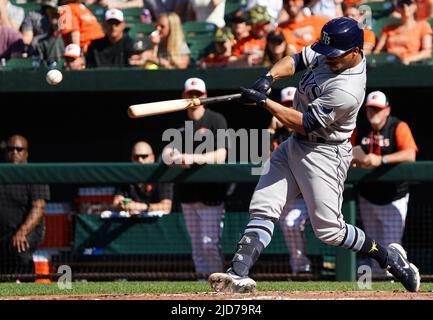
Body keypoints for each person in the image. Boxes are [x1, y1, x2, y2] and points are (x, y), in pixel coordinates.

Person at [208, 17, 420, 293]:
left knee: (330, 230)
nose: (328, 58)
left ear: (355, 51)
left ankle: (387, 257)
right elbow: (295, 60)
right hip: (294, 144)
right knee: (264, 204)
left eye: (336, 55)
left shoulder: (348, 90)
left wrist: (264, 102)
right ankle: (237, 273)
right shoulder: (331, 52)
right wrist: (268, 78)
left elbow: (305, 122)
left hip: (324, 152)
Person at [163, 77, 228, 280]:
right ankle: (201, 279)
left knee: (210, 242)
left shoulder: (216, 119)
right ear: (183, 96)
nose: (194, 98)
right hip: (187, 192)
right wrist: (173, 158)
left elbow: (221, 155)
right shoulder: (178, 123)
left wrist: (192, 158)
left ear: (205, 96)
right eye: (190, 94)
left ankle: (218, 280)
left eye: (198, 95)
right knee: (197, 244)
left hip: (211, 192)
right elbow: (166, 153)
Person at [351, 91, 418, 276]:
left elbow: (410, 154)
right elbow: (347, 153)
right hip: (368, 196)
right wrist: (358, 161)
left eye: (378, 109)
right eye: (370, 109)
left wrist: (381, 160)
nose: (373, 113)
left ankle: (401, 279)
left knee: (392, 245)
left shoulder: (397, 126)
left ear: (387, 110)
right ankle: (379, 290)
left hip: (393, 196)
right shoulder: (360, 128)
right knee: (374, 248)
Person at [268, 87, 312, 275]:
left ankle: (303, 267)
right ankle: (300, 270)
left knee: (291, 223)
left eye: (292, 106)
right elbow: (258, 158)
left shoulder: (309, 128)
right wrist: (270, 130)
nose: (287, 111)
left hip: (308, 195)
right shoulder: (277, 134)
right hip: (287, 195)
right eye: (284, 106)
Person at [0, 135, 50, 278]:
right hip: (4, 230)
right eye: (11, 149)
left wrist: (22, 232)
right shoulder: (2, 174)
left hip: (30, 229)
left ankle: (27, 281)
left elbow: (38, 208)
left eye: (19, 149)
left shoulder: (35, 175)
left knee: (20, 247)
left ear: (26, 153)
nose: (15, 153)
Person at [112, 141, 173, 216]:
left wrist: (140, 207)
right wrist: (123, 205)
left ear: (152, 158)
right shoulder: (126, 177)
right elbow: (116, 203)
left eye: (144, 156)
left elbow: (166, 207)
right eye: (136, 157)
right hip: (131, 223)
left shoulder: (162, 176)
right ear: (132, 158)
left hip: (162, 224)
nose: (140, 160)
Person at [373, 0, 432, 65]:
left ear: (415, 6)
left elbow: (427, 52)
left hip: (410, 66)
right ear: (398, 8)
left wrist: (409, 59)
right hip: (389, 65)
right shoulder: (389, 28)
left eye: (409, 3)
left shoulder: (423, 26)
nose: (405, 7)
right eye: (401, 4)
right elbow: (377, 51)